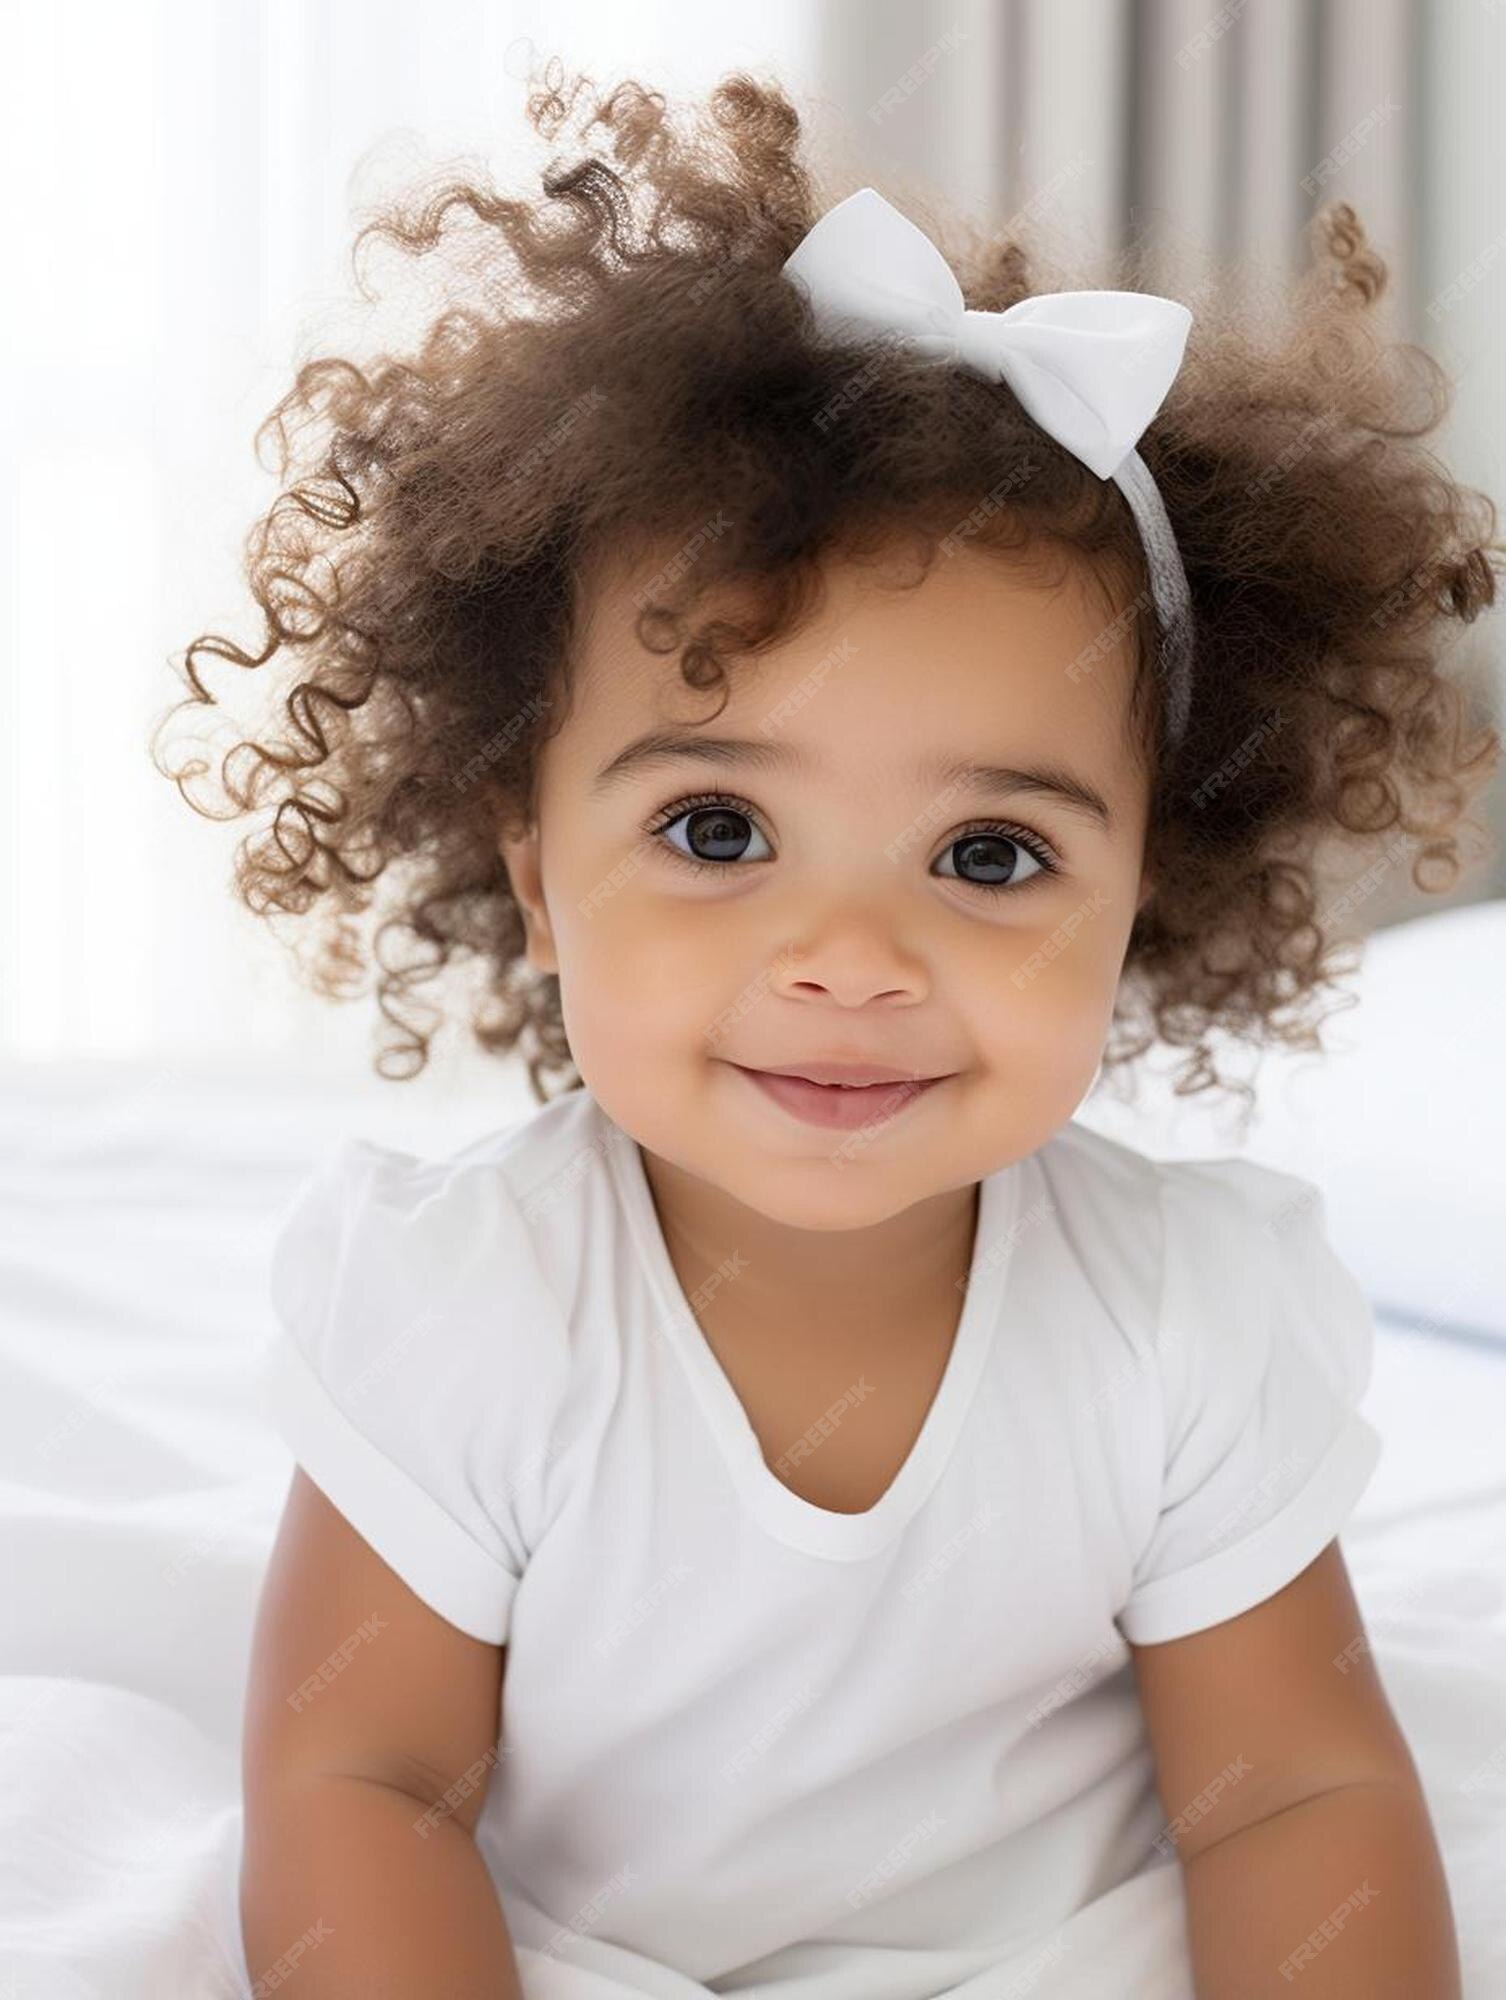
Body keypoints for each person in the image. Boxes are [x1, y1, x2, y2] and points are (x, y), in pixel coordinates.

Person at [151, 60, 1494, 2000]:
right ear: (533, 870)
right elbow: (360, 1778)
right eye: (719, 830)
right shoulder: (471, 1308)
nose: (853, 955)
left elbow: (1289, 1791)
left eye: (989, 852)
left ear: (1147, 893)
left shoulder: (1188, 1321)